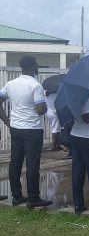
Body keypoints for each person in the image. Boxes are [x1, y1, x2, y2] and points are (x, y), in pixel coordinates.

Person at [0, 56, 52, 206]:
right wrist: (46, 106)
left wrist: (6, 120)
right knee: (32, 164)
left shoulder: (11, 84)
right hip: (32, 130)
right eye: (36, 64)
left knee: (15, 162)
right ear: (33, 67)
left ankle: (16, 196)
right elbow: (40, 110)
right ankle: (33, 197)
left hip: (16, 128)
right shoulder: (35, 86)